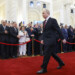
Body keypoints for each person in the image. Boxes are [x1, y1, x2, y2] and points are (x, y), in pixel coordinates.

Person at [37, 9, 66, 74]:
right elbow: (44, 32)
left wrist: (62, 38)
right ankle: (61, 62)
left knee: (46, 54)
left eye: (43, 13)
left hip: (51, 40)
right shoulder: (44, 22)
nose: (42, 14)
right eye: (42, 13)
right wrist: (42, 39)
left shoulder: (53, 20)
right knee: (52, 53)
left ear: (47, 13)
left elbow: (58, 29)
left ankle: (44, 68)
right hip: (46, 40)